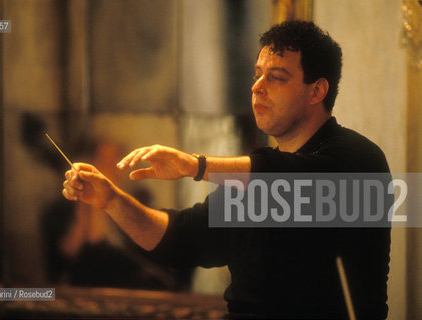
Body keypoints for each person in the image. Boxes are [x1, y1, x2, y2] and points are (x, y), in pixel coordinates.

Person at [62, 21, 390, 319]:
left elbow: (289, 177)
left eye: (276, 77)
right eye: (257, 74)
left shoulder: (358, 159)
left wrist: (195, 165)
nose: (257, 87)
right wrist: (111, 200)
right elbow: (179, 238)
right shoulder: (253, 180)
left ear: (316, 90)